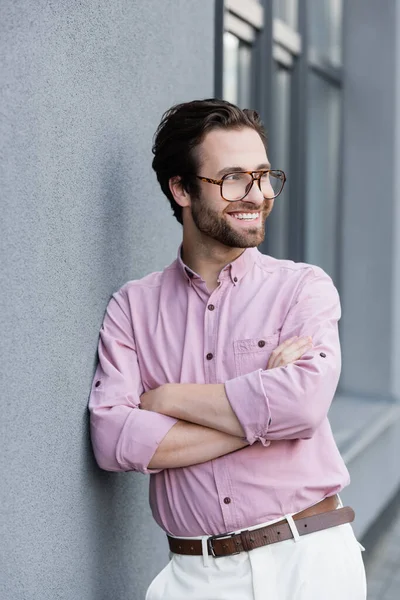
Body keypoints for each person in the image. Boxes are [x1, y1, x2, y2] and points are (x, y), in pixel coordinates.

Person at [88, 99, 367, 599]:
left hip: (309, 561)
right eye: (233, 178)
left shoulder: (302, 289)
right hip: (194, 575)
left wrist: (169, 398)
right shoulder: (132, 308)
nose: (256, 194)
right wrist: (262, 416)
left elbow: (302, 406)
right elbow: (113, 440)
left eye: (263, 175)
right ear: (182, 189)